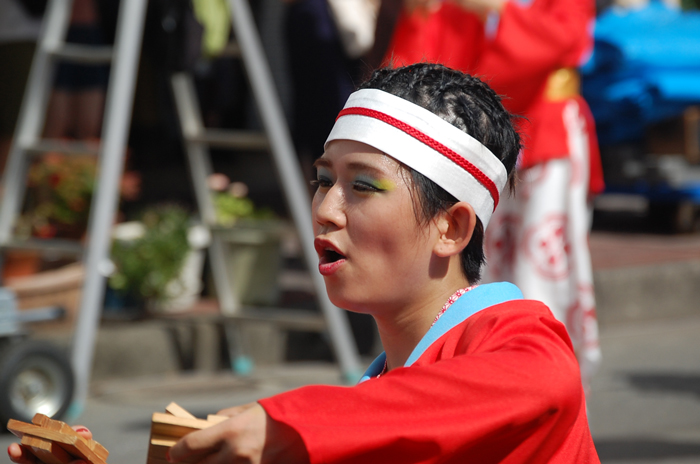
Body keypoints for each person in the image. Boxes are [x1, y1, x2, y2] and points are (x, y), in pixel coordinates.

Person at [9, 63, 599, 464]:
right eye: (323, 181)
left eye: (363, 187)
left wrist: (290, 427)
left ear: (451, 227)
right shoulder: (376, 396)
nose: (326, 209)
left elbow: (544, 381)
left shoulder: (517, 335)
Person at [382, 0, 605, 393]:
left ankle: (545, 377)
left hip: (546, 132)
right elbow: (428, 63)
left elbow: (567, 36)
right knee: (477, 265)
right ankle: (486, 374)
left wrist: (498, 11)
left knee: (542, 267)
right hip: (476, 140)